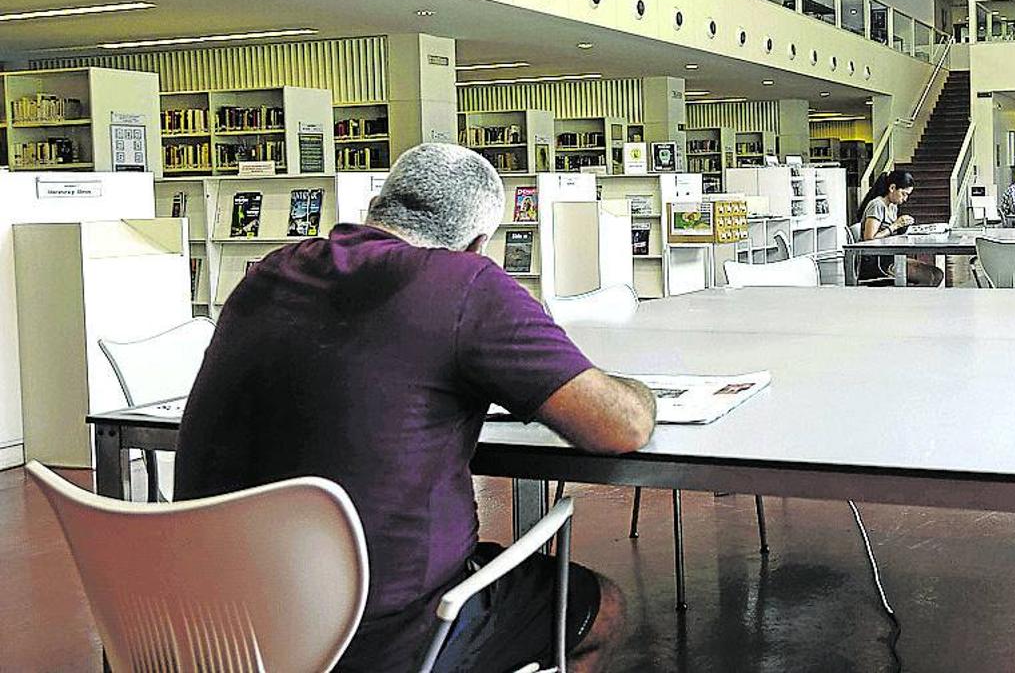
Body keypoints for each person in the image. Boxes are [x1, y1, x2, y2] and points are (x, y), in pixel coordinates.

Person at [174, 143, 657, 673]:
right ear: (478, 243)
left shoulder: (272, 271)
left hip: (209, 624)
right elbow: (620, 427)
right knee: (603, 608)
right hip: (382, 636)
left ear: (379, 205)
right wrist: (642, 391)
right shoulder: (468, 284)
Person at [856, 169, 943, 287]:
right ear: (892, 188)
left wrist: (903, 227)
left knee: (937, 274)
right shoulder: (877, 205)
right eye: (904, 194)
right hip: (877, 261)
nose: (905, 199)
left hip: (890, 256)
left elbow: (890, 233)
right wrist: (895, 225)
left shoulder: (892, 207)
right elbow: (869, 238)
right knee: (929, 276)